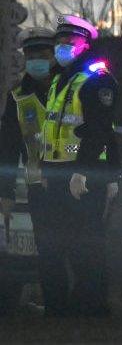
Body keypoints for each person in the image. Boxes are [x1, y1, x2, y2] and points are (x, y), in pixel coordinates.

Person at [34, 15, 121, 317]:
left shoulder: (98, 80)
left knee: (87, 244)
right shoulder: (60, 80)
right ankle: (66, 308)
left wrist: (82, 171)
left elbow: (99, 129)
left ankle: (94, 307)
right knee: (59, 243)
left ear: (85, 44)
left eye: (69, 43)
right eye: (59, 42)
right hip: (58, 174)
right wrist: (47, 170)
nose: (62, 47)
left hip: (83, 175)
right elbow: (52, 129)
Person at [0, 28, 57, 312]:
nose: (36, 60)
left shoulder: (72, 89)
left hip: (78, 185)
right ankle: (55, 307)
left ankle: (82, 310)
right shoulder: (19, 97)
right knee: (47, 252)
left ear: (54, 56)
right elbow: (8, 148)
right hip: (38, 187)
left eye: (42, 54)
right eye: (30, 54)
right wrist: (6, 191)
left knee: (79, 250)